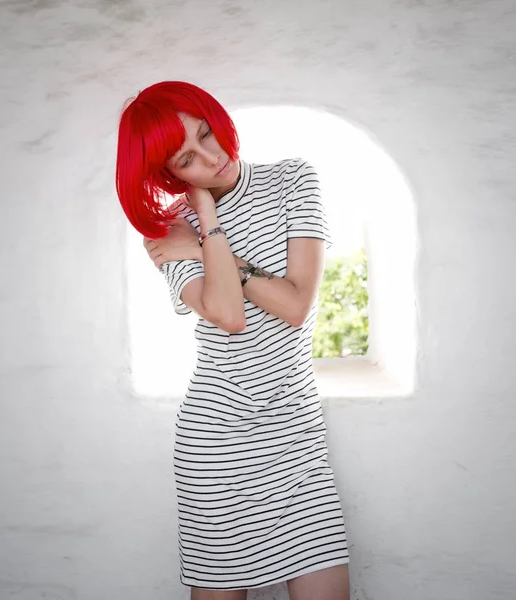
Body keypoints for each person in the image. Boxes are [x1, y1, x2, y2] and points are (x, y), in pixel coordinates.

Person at [115, 81, 350, 600]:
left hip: (295, 430)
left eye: (206, 133)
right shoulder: (170, 231)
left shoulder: (293, 180)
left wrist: (207, 243)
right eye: (187, 159)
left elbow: (294, 306)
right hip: (216, 442)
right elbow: (228, 315)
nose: (210, 156)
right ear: (169, 174)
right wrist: (205, 219)